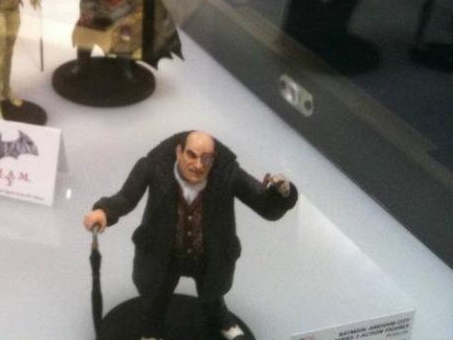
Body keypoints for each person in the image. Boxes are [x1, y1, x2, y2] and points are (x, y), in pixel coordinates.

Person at [83, 130, 297, 340]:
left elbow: (264, 205)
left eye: (206, 158)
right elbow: (126, 198)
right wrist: (104, 211)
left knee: (213, 296)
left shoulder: (228, 174)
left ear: (214, 159)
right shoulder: (152, 167)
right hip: (164, 252)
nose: (198, 165)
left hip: (208, 255)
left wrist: (282, 193)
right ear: (179, 152)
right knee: (156, 297)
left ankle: (221, 320)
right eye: (192, 155)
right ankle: (152, 327)